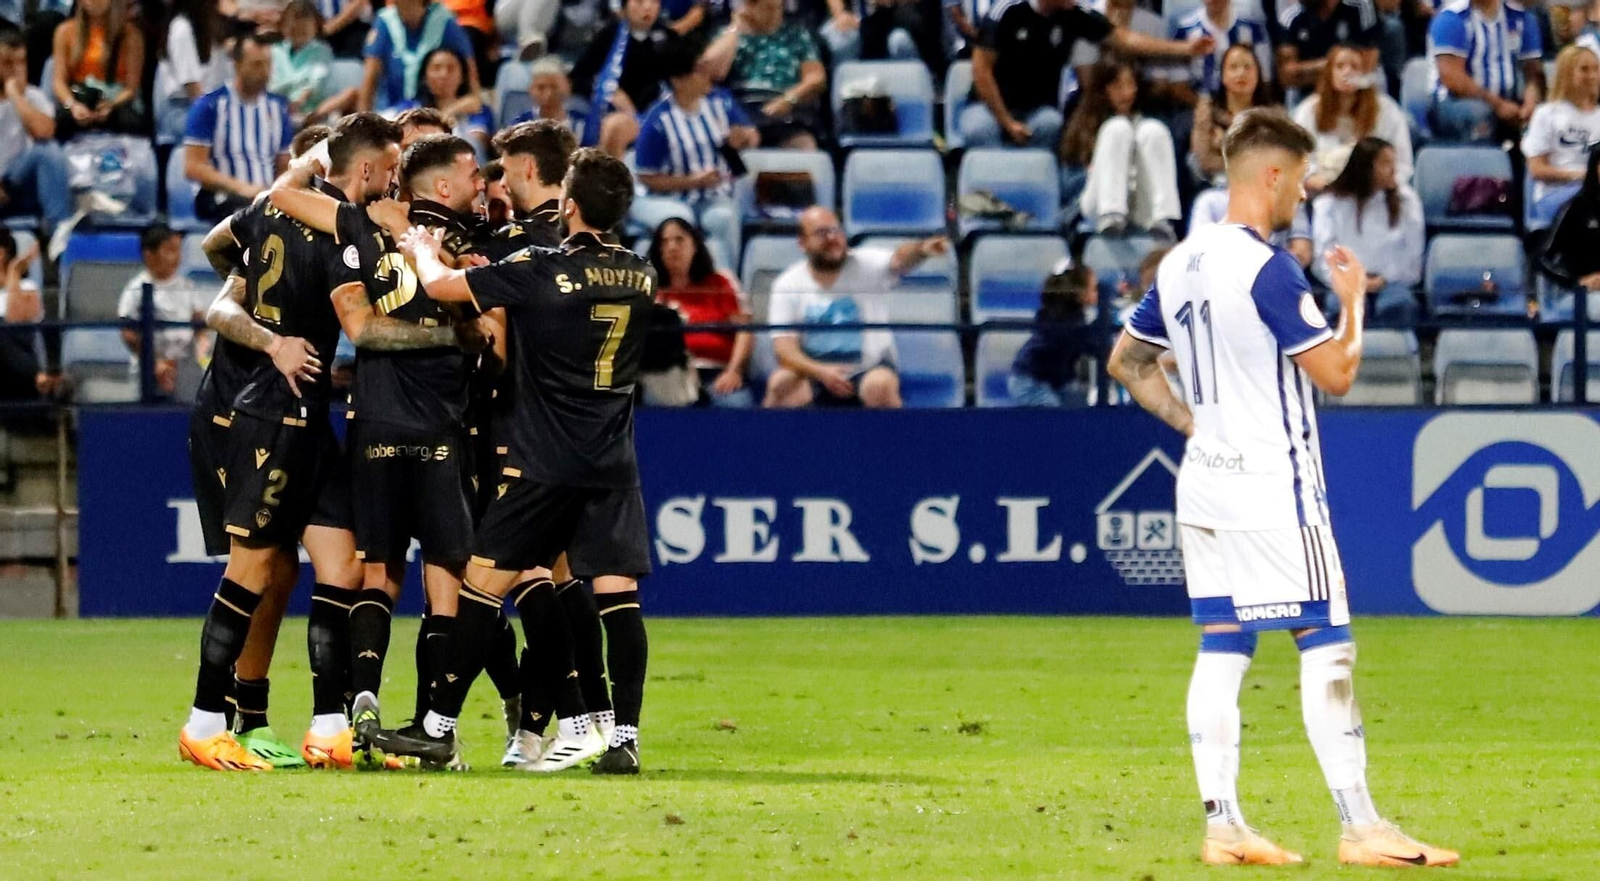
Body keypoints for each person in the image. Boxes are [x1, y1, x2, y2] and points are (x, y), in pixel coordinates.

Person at [1107, 107, 1459, 868]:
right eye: (1299, 178)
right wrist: (1355, 300)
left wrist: (1191, 424)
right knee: (1326, 642)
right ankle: (1362, 825)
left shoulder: (1178, 264)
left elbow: (1128, 362)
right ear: (1271, 175)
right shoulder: (1267, 269)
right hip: (1273, 485)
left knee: (1223, 646)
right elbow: (1336, 372)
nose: (1303, 192)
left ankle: (1225, 824)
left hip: (1204, 485)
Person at [386, 148, 655, 776]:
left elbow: (441, 287)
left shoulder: (540, 267)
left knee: (482, 585)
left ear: (569, 205)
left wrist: (420, 244)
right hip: (613, 460)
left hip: (544, 461)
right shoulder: (641, 274)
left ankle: (438, 727)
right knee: (617, 597)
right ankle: (625, 739)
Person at [177, 113, 404, 773]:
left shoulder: (270, 209)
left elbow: (227, 250)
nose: (388, 185)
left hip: (306, 412)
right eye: (387, 173)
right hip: (273, 414)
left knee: (341, 561)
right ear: (363, 171)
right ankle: (203, 720)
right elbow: (359, 321)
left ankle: (330, 725)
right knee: (252, 566)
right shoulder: (340, 229)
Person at [266, 132, 492, 770]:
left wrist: (318, 157)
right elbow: (484, 334)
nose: (481, 186)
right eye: (473, 175)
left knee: (376, 572)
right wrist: (450, 332)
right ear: (442, 187)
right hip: (442, 430)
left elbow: (288, 197)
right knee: (446, 583)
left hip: (373, 428)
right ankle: (430, 728)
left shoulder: (358, 230)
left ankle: (361, 690)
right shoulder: (458, 251)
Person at [479, 121, 616, 771]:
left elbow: (496, 344)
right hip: (586, 430)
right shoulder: (603, 251)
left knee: (525, 576)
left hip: (527, 432)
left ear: (531, 171)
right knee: (561, 578)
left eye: (505, 169)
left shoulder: (529, 248)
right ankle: (589, 719)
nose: (497, 181)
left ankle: (556, 722)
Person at [961, 0, 1214, 149]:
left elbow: (1123, 39)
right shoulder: (1007, 10)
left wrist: (1185, 48)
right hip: (990, 107)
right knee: (979, 130)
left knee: (1052, 126)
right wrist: (1006, 121)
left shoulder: (1074, 14)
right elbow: (981, 70)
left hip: (1037, 109)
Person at [764, 206, 948, 409]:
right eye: (822, 233)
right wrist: (820, 371)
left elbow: (899, 260)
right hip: (814, 371)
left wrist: (921, 250)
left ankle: (895, 440)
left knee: (880, 386)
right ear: (802, 242)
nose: (832, 238)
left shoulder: (866, 262)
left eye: (836, 230)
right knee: (780, 384)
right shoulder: (787, 283)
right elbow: (783, 347)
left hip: (868, 368)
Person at [632, 41, 759, 273]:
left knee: (725, 217)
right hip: (666, 198)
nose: (707, 76)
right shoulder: (658, 120)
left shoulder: (721, 102)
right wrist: (692, 182)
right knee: (680, 218)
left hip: (711, 197)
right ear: (678, 81)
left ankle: (727, 284)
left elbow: (752, 135)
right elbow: (646, 177)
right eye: (699, 71)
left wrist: (745, 138)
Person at [1062, 61, 1182, 239]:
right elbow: (1070, 185)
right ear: (1103, 89)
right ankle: (1111, 215)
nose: (1126, 93)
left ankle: (1164, 218)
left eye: (1130, 85)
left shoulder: (1145, 123)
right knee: (1118, 128)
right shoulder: (1084, 126)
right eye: (1117, 86)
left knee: (1154, 130)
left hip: (1140, 206)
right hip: (1097, 204)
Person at [1311, 136, 1425, 322]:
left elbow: (1413, 255)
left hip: (1392, 281)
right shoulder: (1329, 204)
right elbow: (1323, 257)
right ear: (1365, 167)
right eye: (1385, 164)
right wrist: (1353, 279)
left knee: (1398, 305)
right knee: (1343, 304)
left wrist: (1384, 278)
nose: (1394, 170)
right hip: (1346, 281)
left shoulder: (1407, 201)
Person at [184, 34, 294, 221]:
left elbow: (284, 166)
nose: (265, 72)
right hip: (222, 199)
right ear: (237, 65)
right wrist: (242, 188)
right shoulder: (210, 106)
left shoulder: (278, 109)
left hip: (266, 199)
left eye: (268, 64)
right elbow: (193, 167)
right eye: (256, 64)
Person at [648, 217, 754, 406]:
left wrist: (734, 371)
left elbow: (744, 331)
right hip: (668, 375)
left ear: (695, 245)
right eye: (664, 242)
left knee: (736, 404)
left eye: (679, 240)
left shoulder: (721, 281)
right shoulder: (649, 290)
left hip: (717, 371)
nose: (672, 247)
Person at [700, 0, 827, 149]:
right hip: (740, 109)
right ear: (749, 6)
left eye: (778, 8)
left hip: (786, 110)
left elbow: (816, 78)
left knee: (804, 144)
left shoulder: (797, 34)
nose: (775, 15)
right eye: (767, 8)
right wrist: (736, 27)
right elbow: (712, 72)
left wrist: (789, 99)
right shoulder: (726, 34)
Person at [1294, 43, 1414, 190]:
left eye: (1355, 67)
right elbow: (1297, 162)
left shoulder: (1387, 111)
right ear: (1329, 73)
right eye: (1340, 66)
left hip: (1375, 193)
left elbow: (1403, 164)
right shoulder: (1308, 110)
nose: (1347, 72)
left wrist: (1382, 183)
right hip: (1322, 194)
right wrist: (1320, 183)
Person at [571, 0, 679, 157]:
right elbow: (577, 78)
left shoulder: (669, 38)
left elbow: (679, 82)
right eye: (640, 2)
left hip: (658, 114)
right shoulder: (609, 35)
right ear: (625, 6)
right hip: (610, 113)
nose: (647, 7)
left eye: (654, 1)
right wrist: (608, 91)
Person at [1428, 0, 1544, 142]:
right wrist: (1498, 105)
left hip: (1508, 100)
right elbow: (1452, 78)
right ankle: (1478, 162)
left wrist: (1531, 102)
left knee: (1544, 116)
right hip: (1454, 101)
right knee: (1480, 115)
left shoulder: (1521, 17)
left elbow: (1533, 70)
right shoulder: (1452, 17)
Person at [116, 224, 207, 398]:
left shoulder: (187, 286)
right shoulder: (135, 289)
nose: (177, 257)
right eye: (170, 251)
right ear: (149, 255)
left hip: (184, 366)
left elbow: (199, 323)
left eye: (179, 250)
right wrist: (154, 362)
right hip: (148, 369)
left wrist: (202, 347)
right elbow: (128, 332)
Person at [1009, 260, 1111, 406]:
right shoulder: (1066, 323)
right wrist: (1105, 309)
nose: (1097, 293)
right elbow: (1095, 345)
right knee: (1053, 413)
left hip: (1053, 381)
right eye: (1094, 289)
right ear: (1080, 294)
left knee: (1079, 406)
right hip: (1029, 381)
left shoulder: (1073, 318)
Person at [0, 29, 70, 232]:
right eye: (7, 63)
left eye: (21, 62)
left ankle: (60, 234)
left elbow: (45, 132)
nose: (16, 70)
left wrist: (16, 96)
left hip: (18, 184)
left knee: (48, 151)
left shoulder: (34, 96)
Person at [1523, 43, 1600, 225]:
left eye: (1596, 69)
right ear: (1566, 74)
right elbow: (1536, 169)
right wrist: (1581, 176)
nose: (1592, 76)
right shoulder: (1547, 114)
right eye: (1584, 69)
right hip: (1555, 194)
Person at [359, 0, 481, 113]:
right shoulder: (385, 21)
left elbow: (473, 90)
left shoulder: (445, 21)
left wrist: (445, 114)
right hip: (391, 111)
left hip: (434, 110)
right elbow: (369, 80)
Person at [49, 0, 144, 138]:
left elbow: (131, 88)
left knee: (128, 121)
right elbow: (59, 81)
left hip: (116, 100)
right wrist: (73, 105)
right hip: (80, 97)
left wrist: (111, 105)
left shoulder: (131, 35)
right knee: (61, 121)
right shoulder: (64, 31)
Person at [1191, 43, 1280, 186]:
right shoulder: (1207, 112)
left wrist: (1224, 143)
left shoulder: (1274, 115)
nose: (1241, 73)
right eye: (1233, 67)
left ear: (1259, 74)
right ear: (1222, 75)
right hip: (1219, 185)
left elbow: (1279, 158)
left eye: (1248, 67)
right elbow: (1205, 160)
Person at [385, 46, 493, 157]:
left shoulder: (477, 110)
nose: (444, 74)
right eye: (436, 68)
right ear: (425, 77)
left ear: (462, 77)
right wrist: (448, 112)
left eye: (451, 69)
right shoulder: (409, 107)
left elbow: (475, 145)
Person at [155, 0, 230, 143]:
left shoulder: (209, 29)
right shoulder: (181, 28)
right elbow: (192, 88)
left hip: (204, 105)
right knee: (228, 133)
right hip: (180, 110)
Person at [1171, 0, 1273, 98]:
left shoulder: (1252, 28)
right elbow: (1178, 85)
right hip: (1197, 106)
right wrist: (1203, 105)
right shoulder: (1185, 29)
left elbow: (1265, 79)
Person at [270, 0, 348, 127]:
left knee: (348, 94)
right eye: (294, 28)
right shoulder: (275, 52)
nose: (298, 32)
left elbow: (317, 81)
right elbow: (273, 85)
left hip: (312, 109)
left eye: (303, 30)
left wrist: (299, 100)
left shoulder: (322, 50)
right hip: (280, 108)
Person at [1277, 0, 1381, 93]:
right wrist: (1335, 65)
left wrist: (1309, 70)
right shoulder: (1292, 17)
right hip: (1307, 92)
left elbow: (1367, 65)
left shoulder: (1360, 6)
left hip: (1355, 90)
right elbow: (1287, 76)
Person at [0, 229, 47, 402]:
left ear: (2, 253)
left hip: (16, 376)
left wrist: (14, 272)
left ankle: (34, 378)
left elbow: (16, 319)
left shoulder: (27, 287)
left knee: (3, 331)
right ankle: (37, 377)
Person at [510, 57, 586, 142]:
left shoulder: (582, 123)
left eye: (554, 87)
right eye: (541, 88)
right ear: (530, 89)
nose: (548, 93)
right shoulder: (520, 124)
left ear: (567, 87)